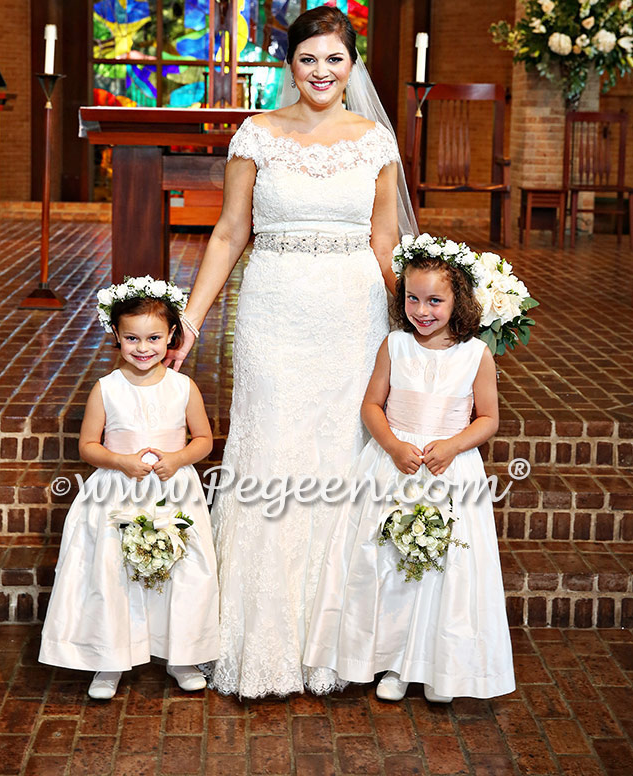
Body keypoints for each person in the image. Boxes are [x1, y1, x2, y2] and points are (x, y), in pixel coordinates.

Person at [166, 6, 416, 697]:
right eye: (308, 58)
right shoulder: (257, 135)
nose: (322, 72)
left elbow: (386, 243)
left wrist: (416, 330)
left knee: (343, 456)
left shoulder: (374, 144)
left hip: (352, 312)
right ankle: (262, 642)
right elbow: (227, 233)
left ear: (352, 64)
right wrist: (190, 317)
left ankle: (339, 643)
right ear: (289, 64)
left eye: (335, 59)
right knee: (271, 449)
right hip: (274, 308)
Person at [304, 241, 516, 702]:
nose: (422, 310)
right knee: (392, 566)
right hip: (392, 469)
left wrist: (455, 446)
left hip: (450, 474)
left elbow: (488, 419)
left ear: (459, 300)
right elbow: (371, 406)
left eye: (435, 300)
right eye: (412, 298)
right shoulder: (395, 346)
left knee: (446, 570)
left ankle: (438, 668)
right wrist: (394, 445)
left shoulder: (476, 354)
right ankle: (394, 663)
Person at [39, 276, 219, 700]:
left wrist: (177, 459)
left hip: (173, 493)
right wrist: (120, 461)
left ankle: (182, 655)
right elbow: (87, 446)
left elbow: (204, 440)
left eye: (154, 338)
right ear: (116, 336)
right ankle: (110, 657)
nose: (144, 348)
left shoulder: (183, 387)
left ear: (172, 335)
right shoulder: (106, 389)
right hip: (116, 494)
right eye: (132, 338)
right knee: (113, 574)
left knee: (182, 573)